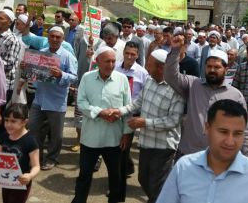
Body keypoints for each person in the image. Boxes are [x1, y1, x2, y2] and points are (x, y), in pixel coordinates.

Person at [156, 99, 248, 203]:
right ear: (207, 128)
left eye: (238, 133)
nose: (230, 141)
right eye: (223, 132)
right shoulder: (183, 168)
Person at [114, 49, 185, 203]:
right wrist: (119, 111)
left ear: (161, 68)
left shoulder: (176, 89)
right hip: (147, 141)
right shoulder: (149, 81)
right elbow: (138, 103)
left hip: (164, 146)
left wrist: (144, 122)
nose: (146, 67)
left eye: (150, 64)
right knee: (143, 178)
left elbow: (173, 121)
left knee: (156, 184)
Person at [164, 34, 248, 158]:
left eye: (217, 67)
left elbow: (244, 129)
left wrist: (246, 156)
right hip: (189, 154)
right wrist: (175, 51)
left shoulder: (235, 95)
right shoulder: (193, 84)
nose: (212, 70)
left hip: (220, 158)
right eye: (209, 66)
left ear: (226, 69)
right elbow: (170, 76)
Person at [72, 46, 132, 203]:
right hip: (90, 139)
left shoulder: (122, 79)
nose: (110, 65)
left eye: (113, 61)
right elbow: (81, 103)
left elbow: (128, 108)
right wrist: (100, 112)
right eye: (107, 61)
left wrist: (126, 133)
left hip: (114, 139)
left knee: (116, 177)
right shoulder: (87, 77)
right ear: (97, 61)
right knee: (84, 175)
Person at [26, 26, 77, 170]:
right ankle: (36, 158)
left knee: (56, 135)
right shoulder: (40, 53)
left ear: (62, 39)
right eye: (52, 36)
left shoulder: (67, 56)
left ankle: (51, 158)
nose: (54, 39)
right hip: (39, 99)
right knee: (33, 129)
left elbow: (74, 77)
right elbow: (32, 73)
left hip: (57, 100)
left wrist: (61, 74)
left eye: (58, 37)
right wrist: (26, 67)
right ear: (48, 37)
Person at [113, 41, 149, 179]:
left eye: (132, 54)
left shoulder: (142, 73)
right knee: (116, 146)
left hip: (131, 115)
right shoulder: (115, 67)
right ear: (123, 53)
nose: (129, 57)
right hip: (116, 112)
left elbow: (145, 96)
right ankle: (127, 166)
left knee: (123, 147)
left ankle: (118, 180)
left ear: (137, 55)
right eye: (127, 53)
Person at [0, 103, 40, 203]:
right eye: (6, 120)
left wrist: (29, 176)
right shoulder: (4, 136)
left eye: (13, 121)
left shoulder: (30, 141)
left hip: (21, 183)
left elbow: (36, 166)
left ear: (24, 122)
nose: (8, 124)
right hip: (6, 180)